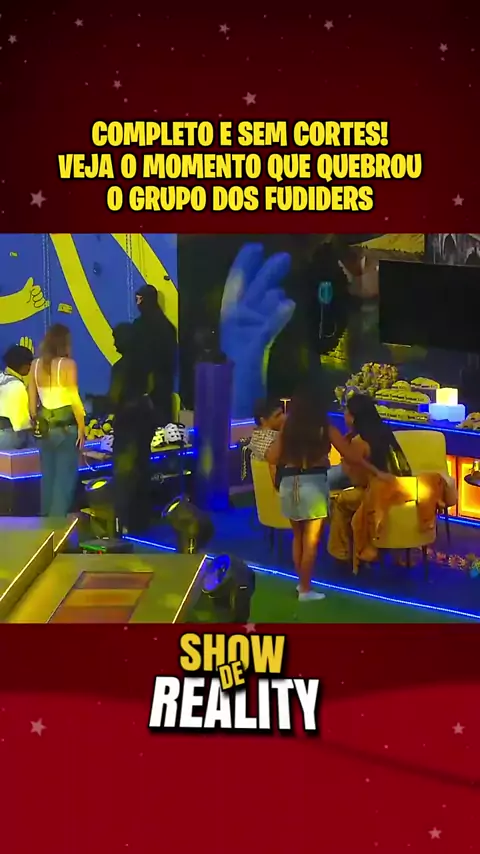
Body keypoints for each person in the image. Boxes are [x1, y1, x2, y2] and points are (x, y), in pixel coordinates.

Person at [266, 387, 392, 601]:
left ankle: (302, 584)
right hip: (313, 484)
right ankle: (305, 589)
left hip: (289, 483)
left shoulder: (288, 427)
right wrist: (377, 472)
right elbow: (351, 456)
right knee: (311, 540)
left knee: (298, 537)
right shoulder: (325, 427)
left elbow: (271, 457)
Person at [327, 393, 411, 562]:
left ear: (354, 417)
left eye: (346, 412)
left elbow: (356, 479)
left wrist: (346, 458)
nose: (344, 415)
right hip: (398, 488)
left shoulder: (360, 441)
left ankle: (342, 551)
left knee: (334, 496)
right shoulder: (384, 431)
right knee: (331, 479)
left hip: (375, 492)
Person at [28, 324, 85, 518]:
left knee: (48, 477)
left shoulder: (35, 365)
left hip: (45, 428)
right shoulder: (68, 365)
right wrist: (82, 427)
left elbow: (32, 404)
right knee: (64, 479)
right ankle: (57, 524)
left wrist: (38, 422)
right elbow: (74, 398)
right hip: (66, 428)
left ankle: (45, 523)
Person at [108, 322, 156, 535]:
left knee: (124, 474)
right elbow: (150, 389)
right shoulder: (146, 364)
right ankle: (141, 519)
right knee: (142, 468)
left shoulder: (120, 367)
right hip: (145, 420)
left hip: (127, 423)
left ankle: (123, 522)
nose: (114, 343)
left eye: (115, 338)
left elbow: (114, 397)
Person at [133, 285, 177, 427]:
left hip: (145, 385)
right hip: (164, 384)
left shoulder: (139, 326)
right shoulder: (168, 326)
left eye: (140, 299)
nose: (137, 303)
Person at [0, 345, 34, 450]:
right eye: (29, 364)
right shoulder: (17, 386)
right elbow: (21, 423)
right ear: (23, 366)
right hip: (8, 436)